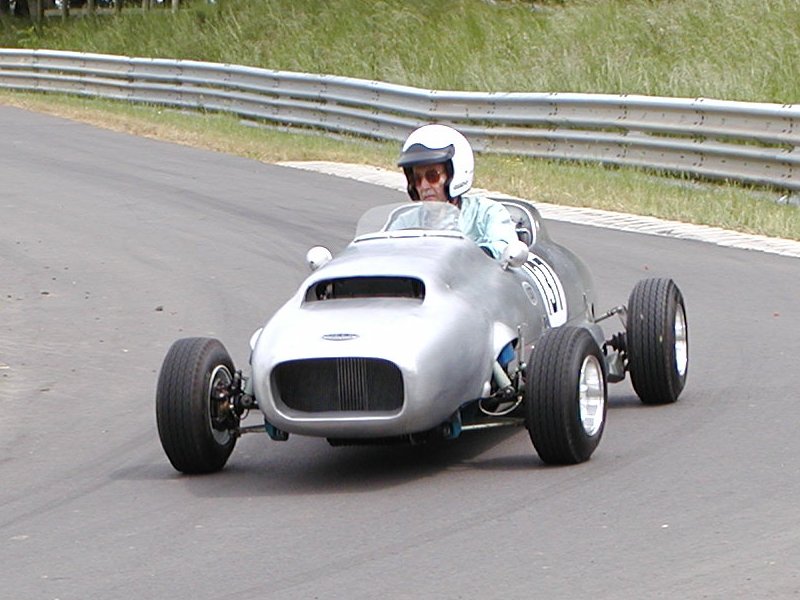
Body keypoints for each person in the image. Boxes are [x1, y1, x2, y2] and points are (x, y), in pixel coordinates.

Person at [396, 124, 519, 260]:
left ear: (454, 175)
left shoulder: (486, 214)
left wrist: (476, 255)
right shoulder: (405, 222)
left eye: (432, 176)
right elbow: (384, 251)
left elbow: (504, 248)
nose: (424, 186)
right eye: (417, 179)